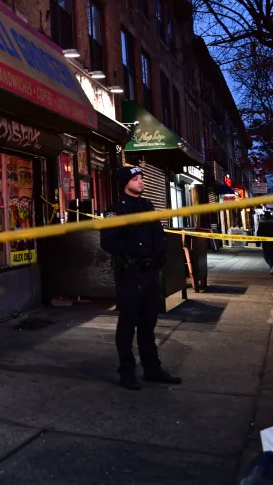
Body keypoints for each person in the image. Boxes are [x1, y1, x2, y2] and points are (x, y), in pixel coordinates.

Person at [100, 166, 182, 391]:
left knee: (148, 324)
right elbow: (107, 241)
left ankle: (152, 369)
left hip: (150, 273)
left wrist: (161, 255)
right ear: (125, 183)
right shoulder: (116, 210)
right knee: (128, 324)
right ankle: (127, 372)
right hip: (131, 273)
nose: (140, 182)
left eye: (141, 178)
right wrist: (134, 251)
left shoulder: (147, 206)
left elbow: (158, 234)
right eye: (135, 179)